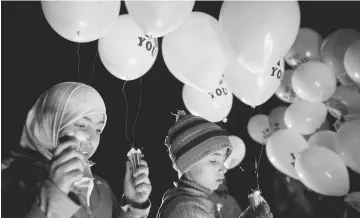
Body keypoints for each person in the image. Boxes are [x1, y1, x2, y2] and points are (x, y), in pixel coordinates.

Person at [1, 82, 152, 218]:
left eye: (98, 130)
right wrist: (56, 194)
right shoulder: (12, 180)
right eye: (81, 125)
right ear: (50, 122)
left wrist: (133, 206)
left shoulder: (100, 188)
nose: (91, 138)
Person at [156, 111, 273, 218]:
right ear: (187, 164)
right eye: (213, 161)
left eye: (223, 161)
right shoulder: (187, 211)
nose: (224, 169)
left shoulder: (191, 203)